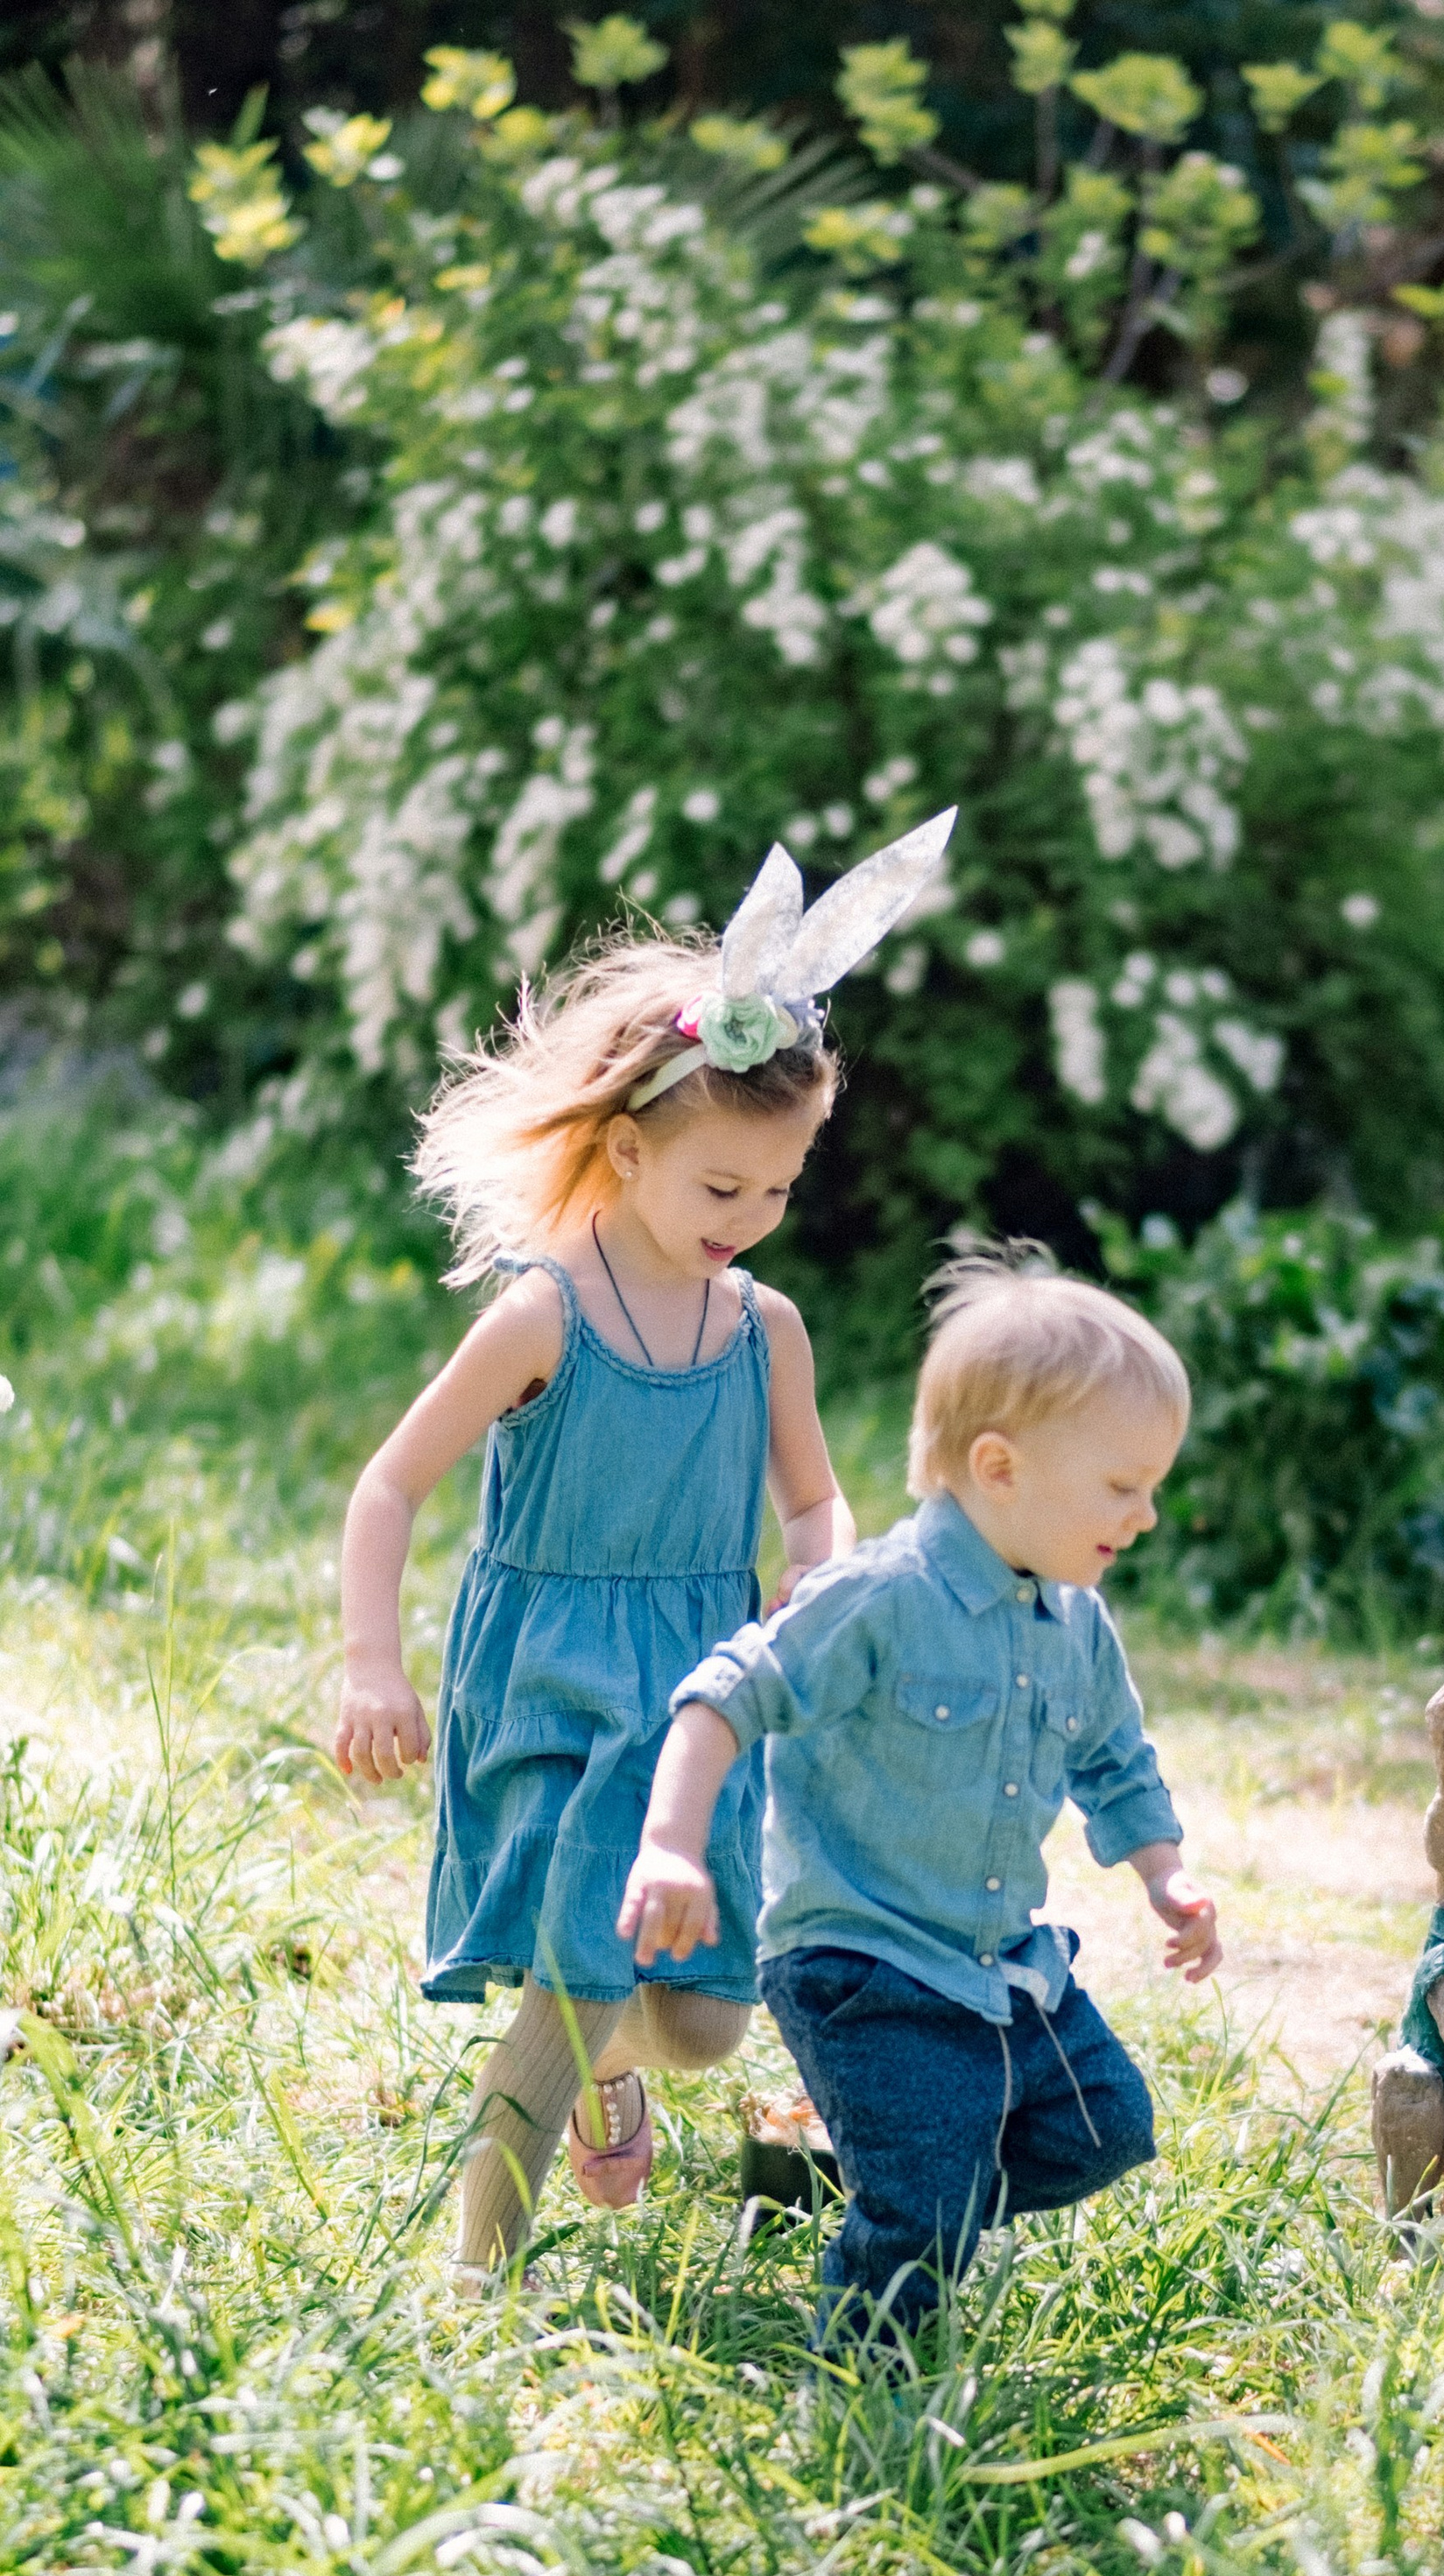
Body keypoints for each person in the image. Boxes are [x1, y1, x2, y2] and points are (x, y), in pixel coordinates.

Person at [334, 813, 954, 2276]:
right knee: (572, 1976)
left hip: (698, 1693)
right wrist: (372, 1663)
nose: (754, 1218)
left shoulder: (764, 1330)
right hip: (552, 1680)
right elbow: (389, 1485)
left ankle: (614, 2064)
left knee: (704, 2020)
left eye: (780, 1189)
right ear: (626, 1148)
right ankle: (476, 2281)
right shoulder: (542, 1315)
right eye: (722, 1189)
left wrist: (820, 1570)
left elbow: (814, 1500)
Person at [619, 1256, 1222, 2348]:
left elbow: (1115, 1757)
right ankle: (865, 2373)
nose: (1145, 1516)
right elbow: (724, 1697)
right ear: (999, 1467)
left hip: (999, 1964)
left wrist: (1165, 1873)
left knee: (1107, 2128)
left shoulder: (1075, 1623)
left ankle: (900, 2177)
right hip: (860, 1964)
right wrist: (671, 1844)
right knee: (926, 2204)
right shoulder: (878, 1599)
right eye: (1121, 1487)